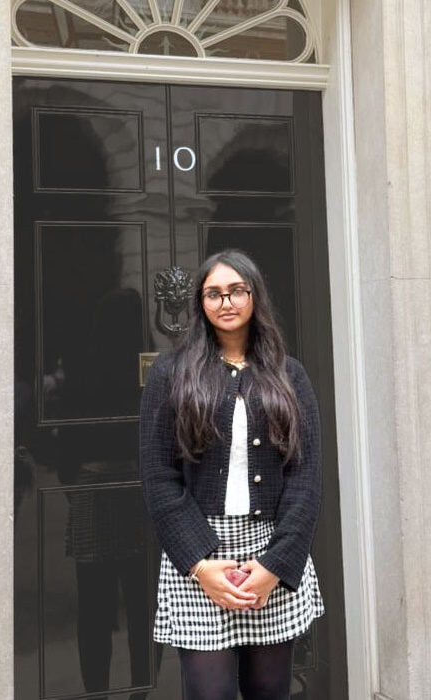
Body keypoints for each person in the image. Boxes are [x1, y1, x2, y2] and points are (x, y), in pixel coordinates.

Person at [139, 249, 325, 700]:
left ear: (254, 296)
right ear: (200, 303)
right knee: (210, 692)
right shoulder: (171, 373)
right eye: (214, 293)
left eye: (237, 291)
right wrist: (201, 566)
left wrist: (273, 567)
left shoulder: (289, 375)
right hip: (200, 558)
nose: (226, 302)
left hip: (270, 552)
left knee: (269, 689)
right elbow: (159, 477)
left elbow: (306, 477)